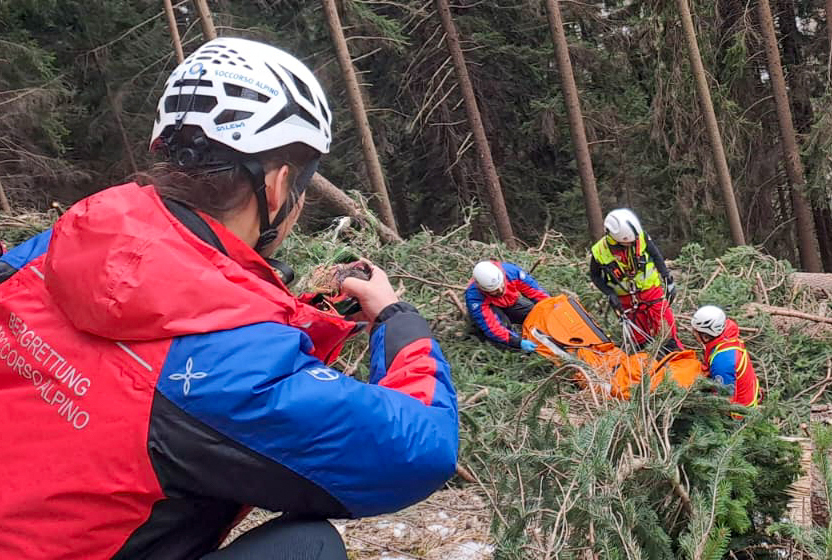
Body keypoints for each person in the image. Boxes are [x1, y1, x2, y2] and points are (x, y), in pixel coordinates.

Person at [0, 37, 459, 560]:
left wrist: (302, 318)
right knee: (307, 548)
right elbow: (422, 447)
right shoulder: (229, 371)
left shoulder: (53, 249)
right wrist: (398, 322)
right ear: (279, 187)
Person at [587, 207, 682, 349]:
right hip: (625, 301)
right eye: (628, 242)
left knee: (667, 333)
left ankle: (676, 355)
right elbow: (595, 275)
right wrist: (610, 294)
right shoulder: (599, 251)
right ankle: (647, 360)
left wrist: (667, 279)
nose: (632, 243)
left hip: (651, 293)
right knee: (640, 342)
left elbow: (656, 256)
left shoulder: (640, 237)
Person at [465, 258, 548, 352]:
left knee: (534, 313)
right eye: (495, 290)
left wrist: (551, 307)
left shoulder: (511, 272)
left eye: (501, 285)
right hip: (491, 311)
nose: (500, 290)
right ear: (482, 288)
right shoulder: (474, 298)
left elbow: (536, 292)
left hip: (511, 304)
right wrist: (518, 342)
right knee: (504, 341)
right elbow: (493, 328)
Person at [690, 305, 760, 408]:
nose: (693, 334)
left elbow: (724, 400)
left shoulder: (722, 363)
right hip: (745, 390)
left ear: (705, 336)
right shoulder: (727, 334)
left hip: (739, 410)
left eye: (695, 332)